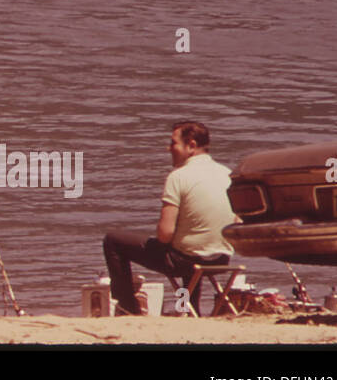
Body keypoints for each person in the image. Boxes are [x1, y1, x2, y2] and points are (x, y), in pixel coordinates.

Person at [102, 121, 240, 316]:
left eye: (173, 143)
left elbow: (165, 235)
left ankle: (127, 308)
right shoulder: (227, 174)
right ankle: (188, 308)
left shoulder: (178, 177)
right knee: (190, 244)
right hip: (221, 259)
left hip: (187, 261)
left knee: (113, 241)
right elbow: (237, 222)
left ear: (191, 146)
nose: (169, 148)